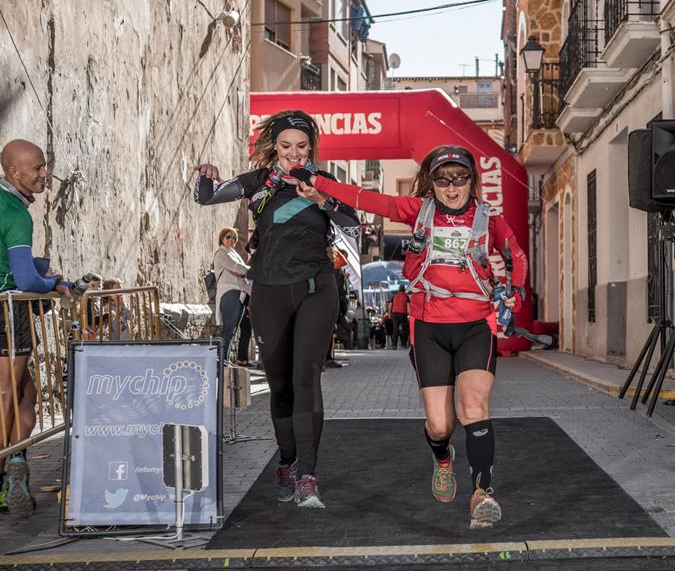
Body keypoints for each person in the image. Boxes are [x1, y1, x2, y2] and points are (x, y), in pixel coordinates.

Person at [293, 145, 527, 530]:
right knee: (439, 425)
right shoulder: (418, 212)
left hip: (476, 325)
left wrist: (515, 293)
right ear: (431, 183)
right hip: (429, 325)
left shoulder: (490, 219)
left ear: (472, 180)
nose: (452, 188)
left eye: (460, 179)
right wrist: (316, 181)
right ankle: (442, 457)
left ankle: (483, 493)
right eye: (442, 179)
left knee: (473, 408)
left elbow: (517, 256)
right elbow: (368, 199)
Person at [193, 110, 359, 508]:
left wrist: (320, 197)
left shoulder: (325, 182)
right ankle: (286, 459)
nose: (294, 154)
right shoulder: (258, 182)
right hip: (269, 290)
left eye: (301, 147)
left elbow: (352, 222)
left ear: (311, 148)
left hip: (316, 289)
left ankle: (308, 475)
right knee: (280, 384)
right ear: (275, 147)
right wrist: (205, 175)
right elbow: (206, 196)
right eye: (286, 147)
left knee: (306, 378)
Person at [0, 140, 77, 518]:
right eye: (37, 168)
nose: (45, 174)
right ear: (15, 173)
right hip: (5, 308)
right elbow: (26, 277)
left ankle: (17, 463)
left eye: (45, 166)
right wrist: (56, 281)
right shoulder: (16, 212)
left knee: (24, 395)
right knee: (6, 394)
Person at [212, 227, 253, 364]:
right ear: (222, 238)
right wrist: (255, 270)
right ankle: (221, 361)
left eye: (234, 237)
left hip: (241, 293)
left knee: (247, 327)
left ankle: (242, 359)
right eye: (228, 237)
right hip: (230, 293)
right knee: (229, 328)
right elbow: (237, 268)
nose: (231, 239)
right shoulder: (221, 253)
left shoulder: (233, 253)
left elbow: (243, 272)